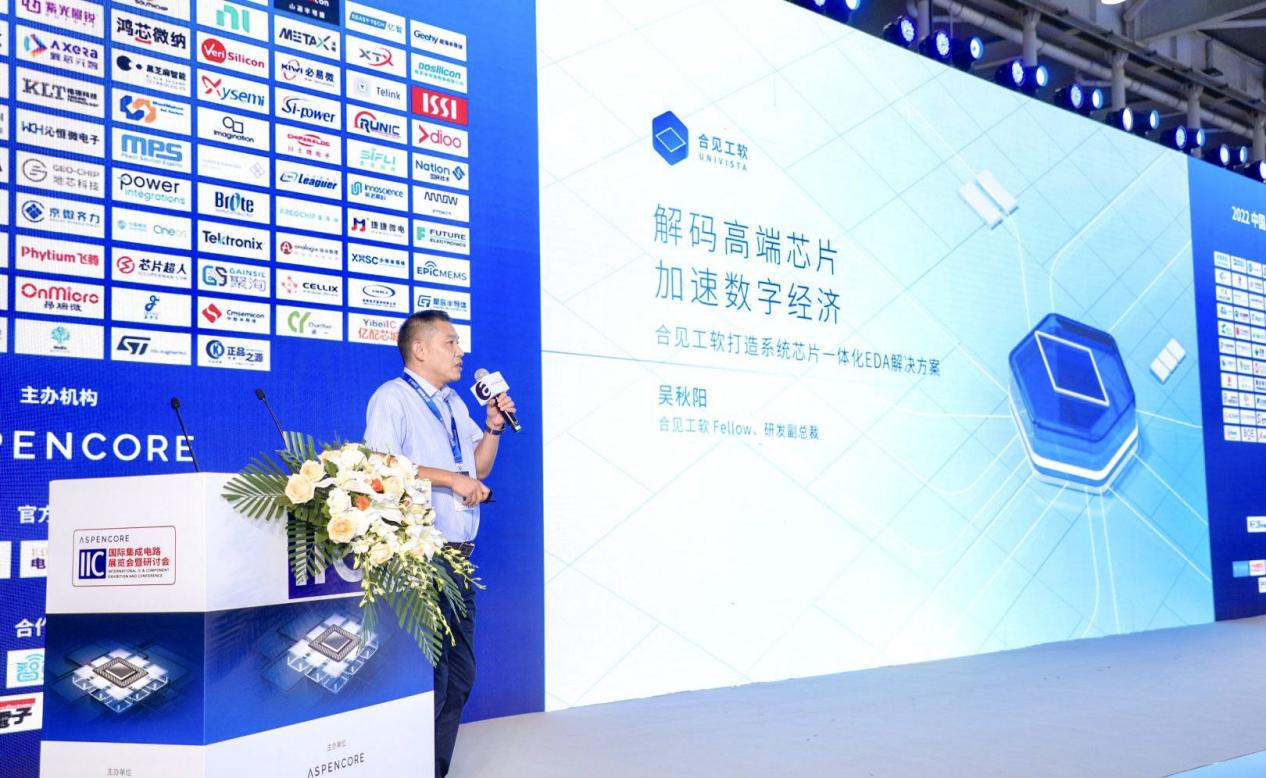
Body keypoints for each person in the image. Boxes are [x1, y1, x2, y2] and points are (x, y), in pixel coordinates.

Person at [363, 309, 514, 778]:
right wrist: (450, 479)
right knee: (432, 679)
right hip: (421, 557)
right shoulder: (392, 398)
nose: (460, 351)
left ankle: (434, 768)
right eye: (450, 342)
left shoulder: (452, 402)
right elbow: (379, 466)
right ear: (419, 349)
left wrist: (493, 427)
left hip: (460, 558)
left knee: (460, 676)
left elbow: (479, 467)